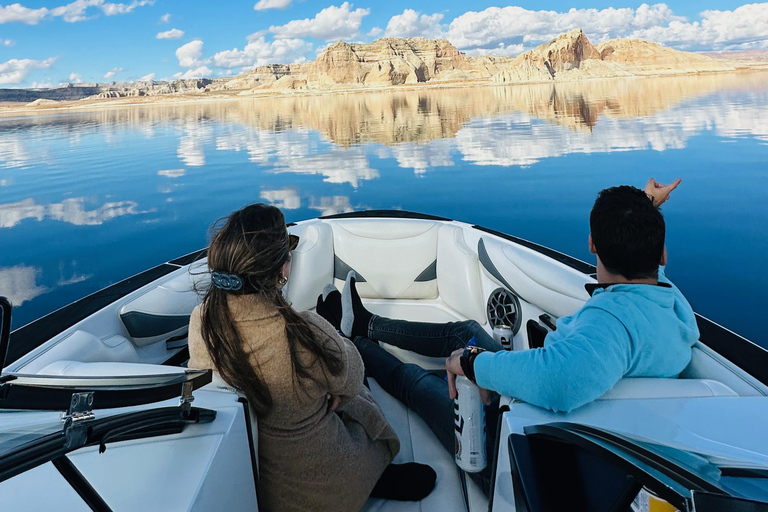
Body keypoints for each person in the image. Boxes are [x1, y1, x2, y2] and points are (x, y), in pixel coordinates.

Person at [316, 177, 699, 494]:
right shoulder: (668, 302)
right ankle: (366, 325)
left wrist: (470, 364)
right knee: (465, 330)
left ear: (592, 245)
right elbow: (641, 258)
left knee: (413, 380)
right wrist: (645, 206)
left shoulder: (611, 324)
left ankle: (353, 344)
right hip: (538, 414)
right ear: (662, 255)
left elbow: (558, 381)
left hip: (511, 454)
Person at [187, 204, 436, 512]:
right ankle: (349, 331)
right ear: (281, 271)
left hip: (259, 484)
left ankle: (347, 326)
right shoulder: (302, 332)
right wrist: (336, 386)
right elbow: (353, 375)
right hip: (323, 490)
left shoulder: (201, 322)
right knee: (356, 392)